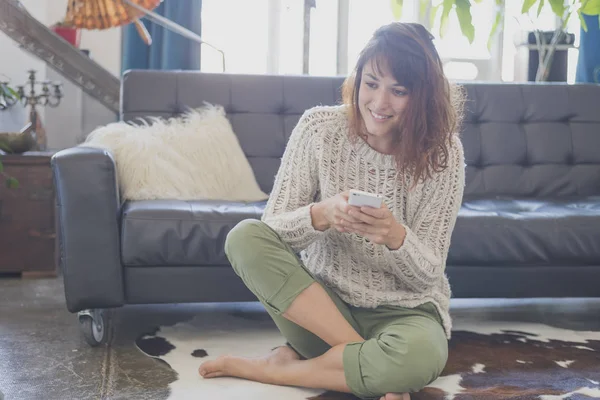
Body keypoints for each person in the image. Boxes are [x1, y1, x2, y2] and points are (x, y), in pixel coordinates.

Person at [198, 22, 465, 400]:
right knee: (243, 237)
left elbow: (428, 275)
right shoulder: (319, 128)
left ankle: (278, 370)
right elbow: (271, 230)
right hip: (321, 308)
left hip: (406, 313)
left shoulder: (444, 153)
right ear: (357, 80)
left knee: (419, 357)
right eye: (371, 83)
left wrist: (395, 237)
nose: (379, 102)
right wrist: (320, 215)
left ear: (423, 96)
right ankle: (360, 360)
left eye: (399, 91)